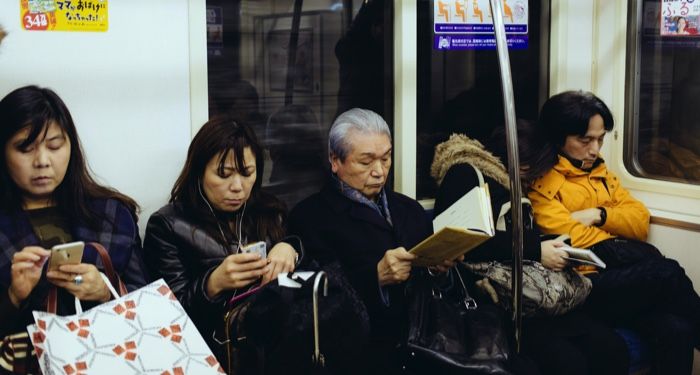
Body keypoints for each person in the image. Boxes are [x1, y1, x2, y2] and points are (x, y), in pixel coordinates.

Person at [432, 121, 630, 375]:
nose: (537, 177)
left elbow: (523, 234)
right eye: (534, 169)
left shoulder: (513, 183)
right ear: (520, 160)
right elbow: (460, 242)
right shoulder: (465, 174)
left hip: (529, 290)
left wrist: (555, 245)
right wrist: (537, 250)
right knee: (568, 361)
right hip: (495, 299)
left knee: (610, 346)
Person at [527, 90, 700, 374]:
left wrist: (599, 214)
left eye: (600, 139)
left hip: (617, 276)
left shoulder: (599, 172)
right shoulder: (543, 179)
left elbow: (640, 221)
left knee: (676, 330)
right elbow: (568, 237)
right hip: (583, 282)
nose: (595, 149)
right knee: (667, 272)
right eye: (585, 141)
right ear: (559, 138)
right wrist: (616, 233)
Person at [288, 108, 459, 374]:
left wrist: (439, 269)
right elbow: (313, 302)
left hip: (425, 346)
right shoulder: (310, 218)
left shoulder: (409, 209)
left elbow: (433, 287)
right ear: (335, 160)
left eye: (386, 158)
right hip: (359, 357)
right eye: (366, 162)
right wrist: (375, 278)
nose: (379, 171)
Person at [0, 85, 148, 373]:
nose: (42, 161)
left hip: (109, 363)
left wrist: (105, 291)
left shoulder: (111, 214)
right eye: (25, 148)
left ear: (71, 146)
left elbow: (147, 301)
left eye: (55, 146)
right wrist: (14, 296)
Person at [142, 117, 303, 363]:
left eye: (247, 173)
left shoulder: (270, 211)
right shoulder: (168, 226)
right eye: (223, 174)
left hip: (277, 350)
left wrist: (290, 247)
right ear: (199, 172)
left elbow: (308, 279)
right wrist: (212, 284)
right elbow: (166, 317)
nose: (238, 187)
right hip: (211, 357)